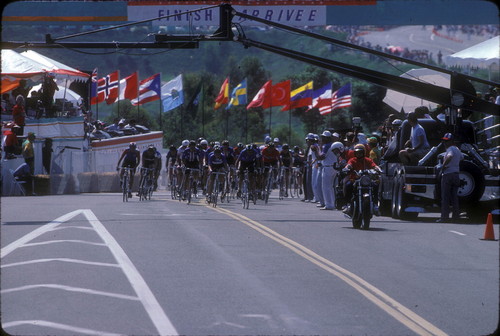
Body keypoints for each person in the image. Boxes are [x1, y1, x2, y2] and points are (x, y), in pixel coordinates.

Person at [343, 144, 382, 215]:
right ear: (355, 153)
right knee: (348, 185)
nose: (359, 154)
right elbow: (349, 164)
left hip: (366, 180)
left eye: (360, 152)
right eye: (357, 153)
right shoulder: (352, 160)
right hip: (355, 180)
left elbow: (374, 165)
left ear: (363, 153)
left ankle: (375, 205)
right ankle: (347, 204)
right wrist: (347, 167)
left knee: (375, 185)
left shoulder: (368, 160)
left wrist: (378, 169)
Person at [437, 133, 464, 223]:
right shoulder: (457, 149)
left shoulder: (450, 149)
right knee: (454, 197)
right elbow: (462, 158)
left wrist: (444, 166)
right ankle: (456, 217)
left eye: (447, 141)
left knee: (445, 197)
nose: (445, 143)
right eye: (444, 141)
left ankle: (444, 217)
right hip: (456, 174)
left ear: (451, 141)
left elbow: (450, 156)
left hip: (448, 174)